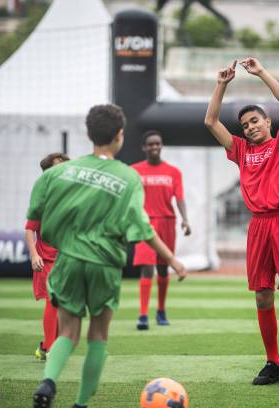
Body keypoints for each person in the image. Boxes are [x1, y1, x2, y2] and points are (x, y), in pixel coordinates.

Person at [29, 104, 187, 408]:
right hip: (104, 263)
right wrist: (173, 260)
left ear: (89, 135)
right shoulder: (128, 177)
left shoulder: (59, 173)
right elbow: (143, 227)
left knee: (68, 333)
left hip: (69, 261)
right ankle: (80, 404)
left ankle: (48, 381)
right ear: (120, 136)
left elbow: (40, 221)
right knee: (98, 336)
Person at [204, 58, 279, 386]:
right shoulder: (240, 150)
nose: (250, 127)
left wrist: (261, 72)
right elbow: (211, 121)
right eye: (246, 125)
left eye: (255, 121)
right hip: (259, 228)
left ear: (268, 122)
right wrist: (222, 83)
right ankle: (273, 363)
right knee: (262, 297)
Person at [131, 130, 191, 330]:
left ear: (161, 145)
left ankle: (161, 310)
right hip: (144, 223)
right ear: (144, 147)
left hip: (167, 222)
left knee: (164, 267)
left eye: (157, 143)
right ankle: (142, 315)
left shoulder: (173, 171)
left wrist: (185, 219)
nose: (154, 147)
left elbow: (180, 197)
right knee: (147, 267)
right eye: (150, 144)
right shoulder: (134, 171)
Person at [25, 152, 70, 361]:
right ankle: (52, 349)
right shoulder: (41, 199)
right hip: (46, 259)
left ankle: (44, 347)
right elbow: (29, 229)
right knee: (53, 301)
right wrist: (34, 255)